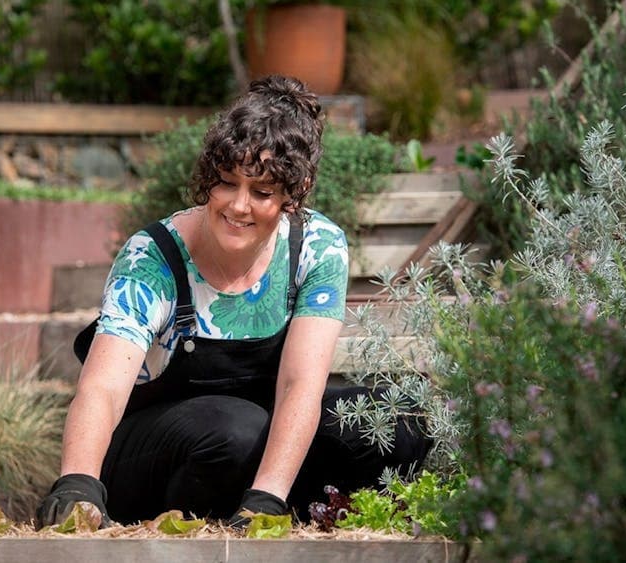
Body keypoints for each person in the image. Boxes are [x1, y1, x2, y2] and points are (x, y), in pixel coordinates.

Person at [35, 75, 433, 529]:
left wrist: (266, 498)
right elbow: (103, 387)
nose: (238, 206)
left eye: (262, 192)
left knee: (390, 419)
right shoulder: (154, 257)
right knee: (235, 429)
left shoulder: (317, 246)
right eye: (227, 183)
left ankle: (293, 516)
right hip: (153, 455)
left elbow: (300, 386)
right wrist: (78, 483)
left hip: (253, 451)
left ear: (292, 195)